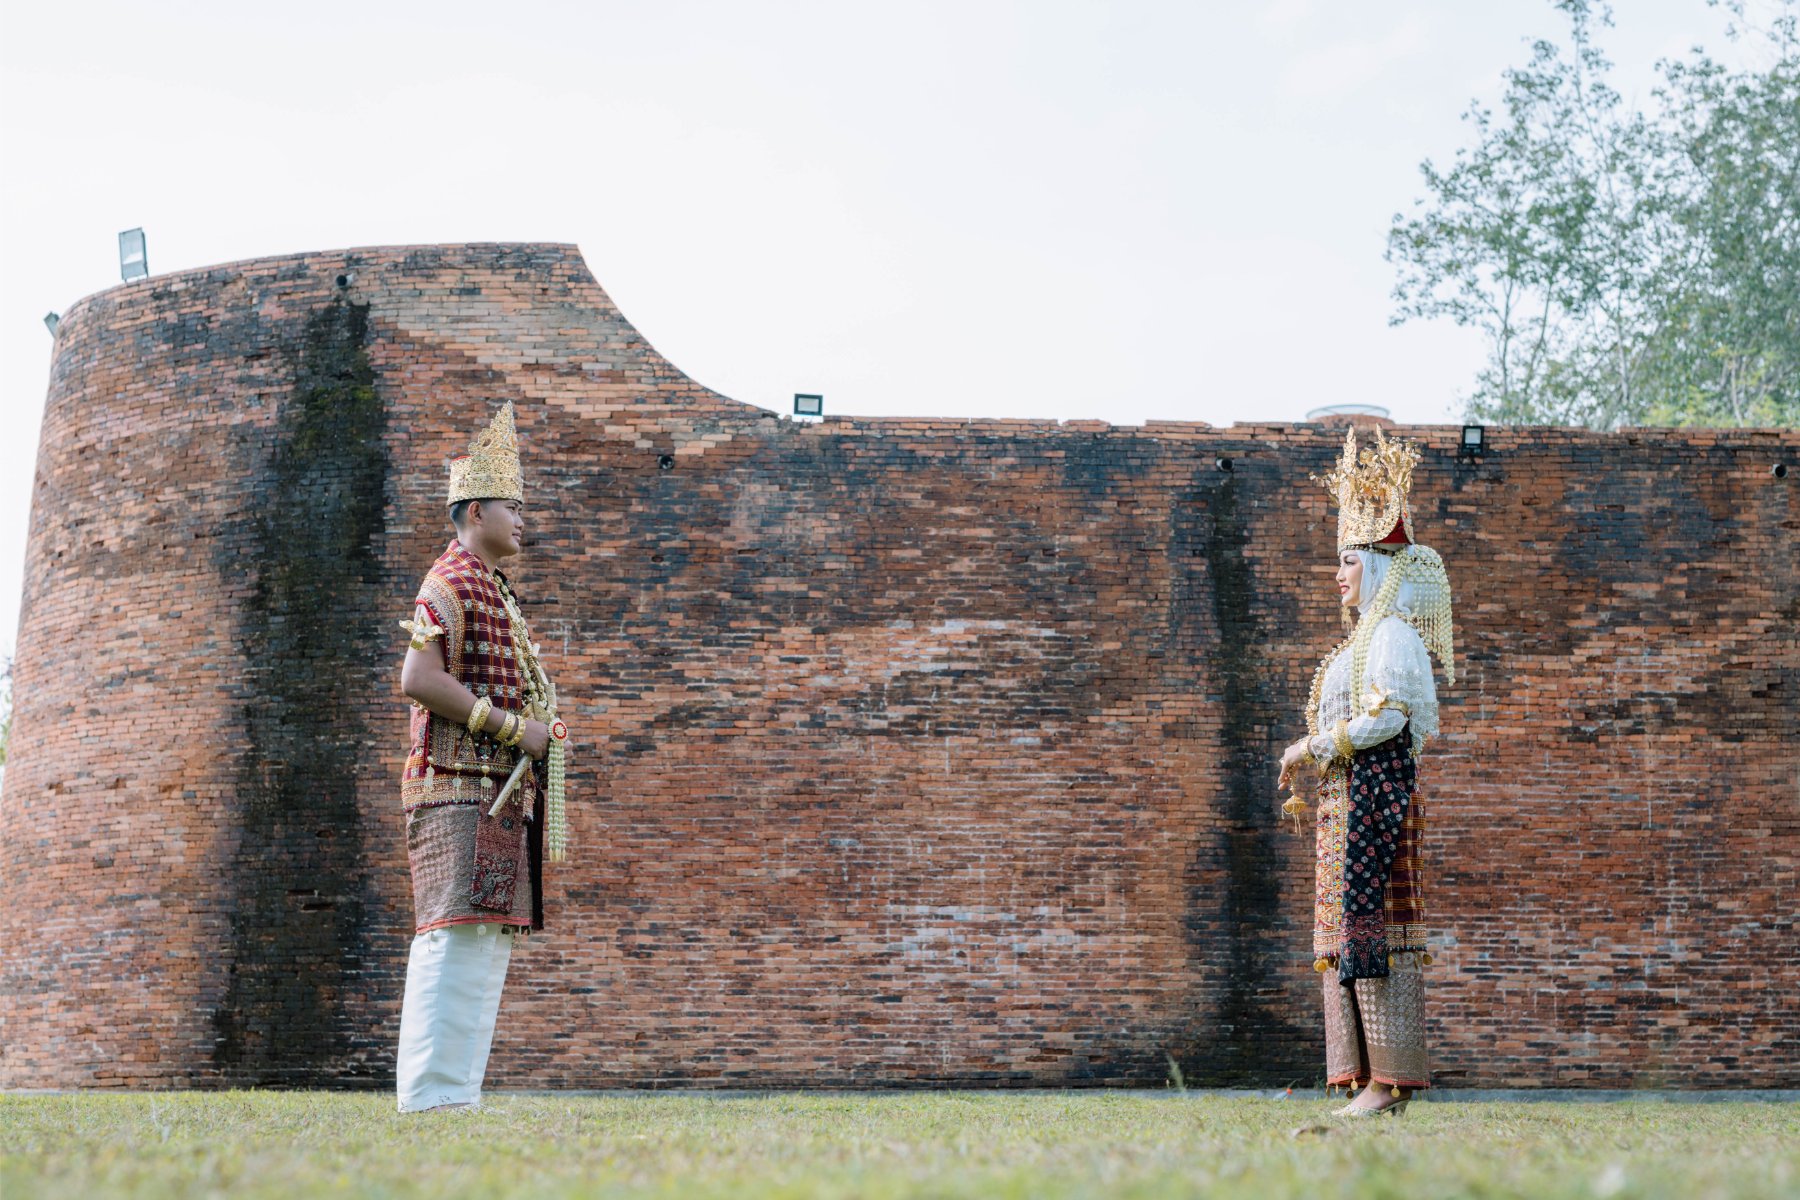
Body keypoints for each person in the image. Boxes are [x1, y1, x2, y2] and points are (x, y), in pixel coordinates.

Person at [392, 400, 571, 1113]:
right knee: (452, 936)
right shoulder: (448, 580)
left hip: (495, 792)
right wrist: (511, 728)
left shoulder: (491, 586)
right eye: (511, 506)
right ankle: (430, 1099)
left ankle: (455, 1097)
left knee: (486, 939)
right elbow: (418, 678)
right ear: (475, 512)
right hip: (455, 788)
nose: (522, 519)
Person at [1276, 427, 1454, 1118]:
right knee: (1343, 932)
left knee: (1373, 925)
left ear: (1378, 567)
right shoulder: (1362, 640)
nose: (1338, 575)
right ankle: (1363, 1077)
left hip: (1374, 804)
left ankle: (1389, 1081)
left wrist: (1311, 748)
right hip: (1346, 804)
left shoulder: (1392, 636)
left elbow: (1389, 718)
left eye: (1348, 561)